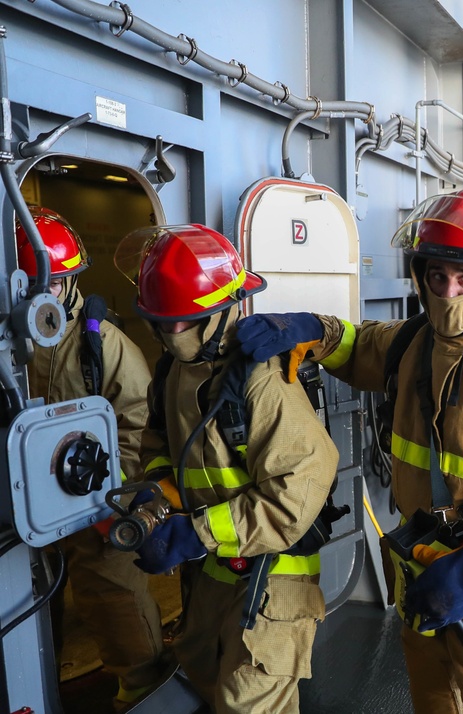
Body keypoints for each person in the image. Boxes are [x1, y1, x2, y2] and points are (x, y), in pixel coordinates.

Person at [236, 188, 463, 713]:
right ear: (421, 275)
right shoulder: (411, 344)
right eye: (437, 275)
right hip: (421, 574)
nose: (449, 291)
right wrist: (310, 329)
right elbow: (358, 346)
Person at [112, 223, 340, 713]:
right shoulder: (172, 372)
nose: (169, 333)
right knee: (206, 681)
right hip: (212, 579)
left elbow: (299, 489)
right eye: (161, 321)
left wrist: (198, 533)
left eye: (182, 322)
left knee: (248, 703)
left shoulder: (263, 381)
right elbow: (158, 443)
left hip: (274, 578)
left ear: (221, 313)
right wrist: (157, 497)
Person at [15, 206, 174, 712]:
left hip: (91, 498)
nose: (48, 296)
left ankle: (142, 686)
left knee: (113, 591)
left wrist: (113, 494)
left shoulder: (101, 344)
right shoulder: (7, 344)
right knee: (25, 598)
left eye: (58, 283)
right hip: (21, 504)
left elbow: (138, 422)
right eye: (36, 284)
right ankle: (35, 686)